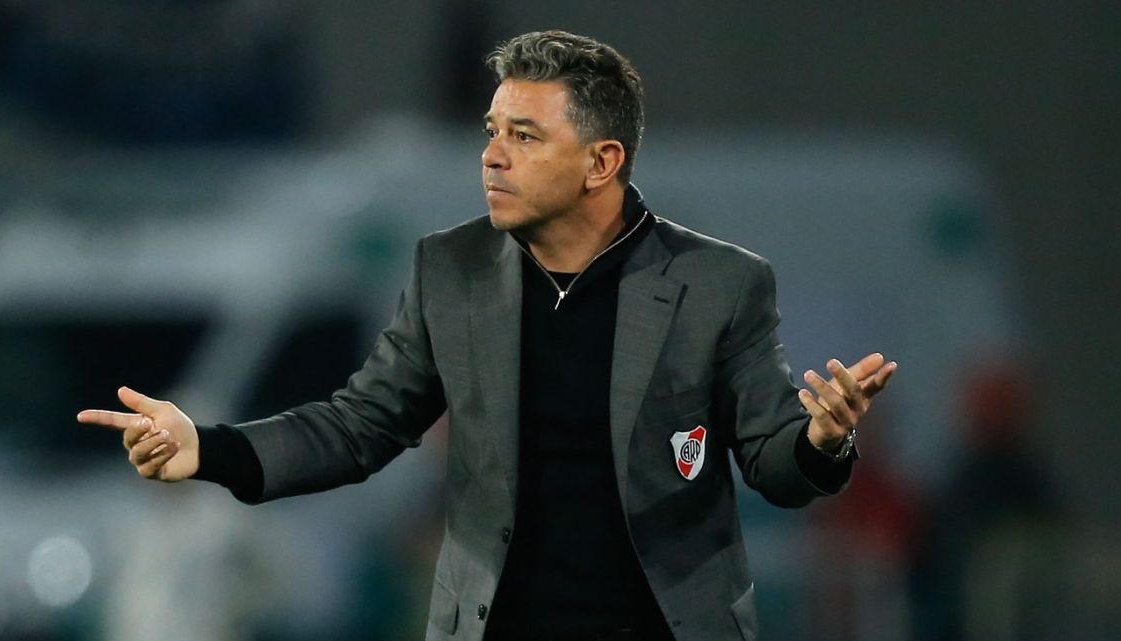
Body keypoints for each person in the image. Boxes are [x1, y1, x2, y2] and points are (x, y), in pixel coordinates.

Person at [79, 30, 896, 641]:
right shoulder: (452, 269)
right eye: (491, 130)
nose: (492, 156)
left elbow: (774, 460)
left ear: (602, 162)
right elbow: (360, 423)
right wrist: (209, 448)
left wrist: (820, 439)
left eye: (524, 136)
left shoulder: (718, 283)